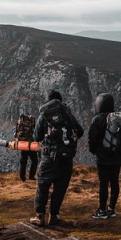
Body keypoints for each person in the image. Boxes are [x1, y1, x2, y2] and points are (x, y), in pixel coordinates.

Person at [30, 90, 84, 226]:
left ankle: (39, 216)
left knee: (42, 185)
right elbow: (81, 131)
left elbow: (37, 137)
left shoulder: (44, 115)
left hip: (49, 157)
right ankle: (53, 216)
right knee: (60, 188)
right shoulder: (67, 113)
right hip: (66, 158)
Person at [88, 93, 121, 219]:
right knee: (115, 182)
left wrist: (96, 152)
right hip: (117, 157)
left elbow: (92, 139)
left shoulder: (98, 119)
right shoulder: (118, 118)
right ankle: (111, 209)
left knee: (103, 183)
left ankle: (102, 211)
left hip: (102, 159)